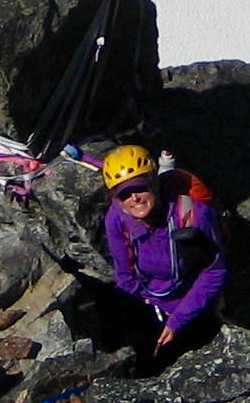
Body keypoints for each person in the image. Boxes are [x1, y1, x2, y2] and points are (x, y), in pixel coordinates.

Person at [96, 143, 226, 361]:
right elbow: (125, 275)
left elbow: (215, 272)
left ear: (154, 181)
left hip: (196, 303)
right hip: (153, 302)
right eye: (124, 193)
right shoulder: (117, 218)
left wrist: (178, 319)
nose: (134, 198)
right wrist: (146, 304)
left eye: (139, 187)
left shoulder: (194, 215)